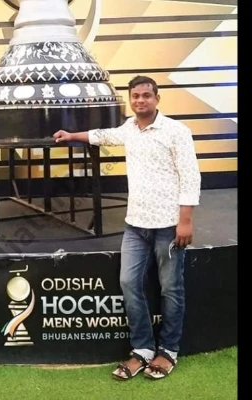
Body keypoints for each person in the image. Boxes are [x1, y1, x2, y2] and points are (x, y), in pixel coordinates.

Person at [53, 75, 201, 380]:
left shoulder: (177, 131)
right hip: (135, 225)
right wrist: (71, 135)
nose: (140, 100)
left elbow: (190, 176)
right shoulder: (129, 129)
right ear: (130, 99)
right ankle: (143, 349)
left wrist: (185, 220)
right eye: (135, 96)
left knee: (170, 289)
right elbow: (102, 135)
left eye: (146, 95)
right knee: (129, 283)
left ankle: (168, 351)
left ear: (157, 98)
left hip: (169, 226)